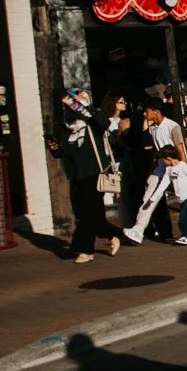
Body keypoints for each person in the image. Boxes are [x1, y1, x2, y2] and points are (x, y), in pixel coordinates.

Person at [52, 88, 123, 263]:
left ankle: (84, 249)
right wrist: (54, 148)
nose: (73, 104)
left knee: (88, 212)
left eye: (77, 100)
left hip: (95, 173)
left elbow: (104, 123)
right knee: (88, 213)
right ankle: (114, 234)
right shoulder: (64, 127)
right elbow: (62, 153)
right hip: (76, 174)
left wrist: (86, 106)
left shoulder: (93, 121)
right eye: (71, 101)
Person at [121, 97, 187, 244]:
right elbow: (146, 143)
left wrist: (183, 170)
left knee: (186, 198)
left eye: (147, 111)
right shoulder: (152, 127)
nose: (145, 114)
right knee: (149, 197)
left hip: (174, 166)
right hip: (160, 167)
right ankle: (138, 229)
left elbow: (181, 150)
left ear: (156, 112)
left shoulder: (173, 127)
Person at [155, 143, 187, 246]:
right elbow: (164, 183)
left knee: (183, 218)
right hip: (181, 197)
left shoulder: (183, 167)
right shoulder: (169, 170)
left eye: (163, 160)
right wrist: (155, 196)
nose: (162, 162)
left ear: (168, 158)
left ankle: (186, 235)